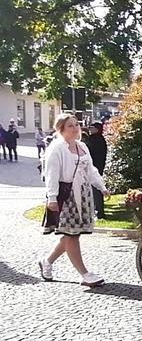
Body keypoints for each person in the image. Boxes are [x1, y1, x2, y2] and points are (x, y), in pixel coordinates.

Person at [38, 113, 110, 287]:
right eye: (70, 125)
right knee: (72, 235)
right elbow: (52, 175)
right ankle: (84, 274)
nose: (75, 128)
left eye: (76, 124)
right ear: (61, 129)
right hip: (65, 195)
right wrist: (52, 197)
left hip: (82, 194)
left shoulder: (82, 146)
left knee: (72, 234)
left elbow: (90, 170)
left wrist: (102, 186)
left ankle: (46, 261)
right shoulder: (56, 148)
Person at [86, 122, 108, 219]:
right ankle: (96, 210)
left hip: (95, 168)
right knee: (94, 190)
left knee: (96, 189)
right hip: (97, 167)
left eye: (92, 127)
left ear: (97, 129)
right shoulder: (99, 139)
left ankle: (99, 212)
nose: (90, 129)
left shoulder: (95, 140)